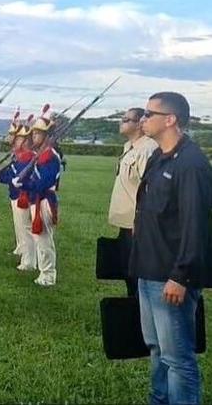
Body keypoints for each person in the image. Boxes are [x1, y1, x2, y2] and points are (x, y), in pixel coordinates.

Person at [131, 92, 212, 405]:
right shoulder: (158, 156)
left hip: (171, 276)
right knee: (157, 349)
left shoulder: (191, 164)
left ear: (170, 119)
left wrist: (181, 275)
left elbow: (197, 225)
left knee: (178, 358)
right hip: (149, 271)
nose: (143, 120)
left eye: (149, 114)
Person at [108, 108, 158, 297]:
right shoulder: (128, 147)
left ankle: (139, 313)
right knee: (127, 271)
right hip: (125, 222)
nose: (121, 122)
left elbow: (149, 188)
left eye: (126, 120)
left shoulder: (147, 149)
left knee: (138, 275)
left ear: (139, 124)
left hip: (137, 224)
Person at [13, 116, 62, 287]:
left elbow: (44, 182)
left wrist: (24, 182)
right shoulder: (41, 155)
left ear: (47, 136)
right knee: (39, 237)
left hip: (45, 199)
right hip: (37, 199)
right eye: (33, 133)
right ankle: (44, 271)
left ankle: (48, 274)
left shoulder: (50, 156)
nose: (34, 136)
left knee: (44, 239)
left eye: (38, 133)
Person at [0, 119, 36, 271]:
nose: (15, 140)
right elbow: (11, 175)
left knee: (25, 228)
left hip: (23, 196)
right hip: (15, 194)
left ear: (25, 141)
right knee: (20, 226)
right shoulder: (21, 156)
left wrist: (4, 177)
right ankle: (23, 251)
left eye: (19, 138)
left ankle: (29, 261)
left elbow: (17, 177)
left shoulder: (29, 157)